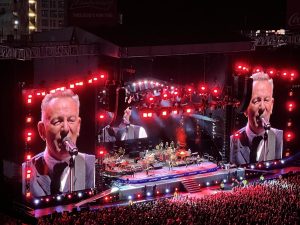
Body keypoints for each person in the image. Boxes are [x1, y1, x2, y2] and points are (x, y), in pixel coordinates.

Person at [22, 89, 95, 197]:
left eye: (71, 120)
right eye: (57, 121)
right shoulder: (26, 170)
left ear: (78, 126)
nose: (65, 128)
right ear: (42, 130)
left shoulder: (93, 165)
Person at [230, 72, 283, 165]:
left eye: (266, 100)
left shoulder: (280, 137)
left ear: (272, 105)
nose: (262, 107)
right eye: (256, 101)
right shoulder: (233, 141)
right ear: (245, 108)